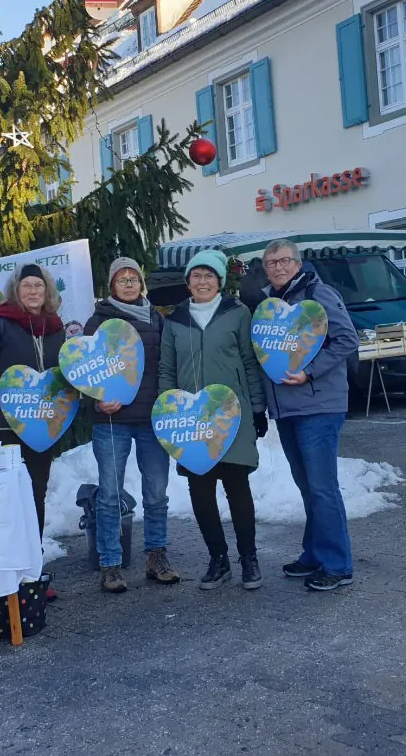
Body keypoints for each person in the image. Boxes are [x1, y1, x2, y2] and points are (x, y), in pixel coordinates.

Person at [247, 239, 359, 592]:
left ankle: (338, 565)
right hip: (287, 409)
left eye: (283, 261)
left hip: (318, 406)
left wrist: (310, 371)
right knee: (308, 486)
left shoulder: (318, 295)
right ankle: (314, 553)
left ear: (297, 263)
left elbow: (347, 340)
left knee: (323, 488)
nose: (277, 267)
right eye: (270, 263)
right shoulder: (269, 305)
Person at [158, 249, 270, 590]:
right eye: (196, 275)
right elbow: (166, 369)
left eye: (209, 275)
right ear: (188, 281)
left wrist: (257, 408)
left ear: (219, 280)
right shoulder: (175, 320)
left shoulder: (238, 314)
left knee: (237, 486)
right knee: (201, 491)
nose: (202, 281)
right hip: (191, 420)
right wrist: (167, 413)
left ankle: (248, 558)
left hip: (232, 416)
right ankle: (217, 558)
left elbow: (251, 362)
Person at [85, 257, 178, 593]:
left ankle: (157, 556)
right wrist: (95, 399)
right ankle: (110, 564)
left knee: (156, 493)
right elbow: (82, 372)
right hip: (112, 421)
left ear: (142, 284)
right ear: (111, 285)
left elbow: (169, 364)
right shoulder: (97, 321)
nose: (128, 284)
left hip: (152, 419)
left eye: (133, 278)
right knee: (109, 495)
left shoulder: (157, 319)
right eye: (121, 279)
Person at [0, 263, 65, 553]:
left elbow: (60, 380)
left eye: (38, 285)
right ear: (16, 290)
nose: (33, 291)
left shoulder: (55, 328)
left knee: (35, 494)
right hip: (1, 427)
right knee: (5, 499)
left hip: (41, 428)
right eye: (27, 286)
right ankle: (5, 574)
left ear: (47, 290)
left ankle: (32, 568)